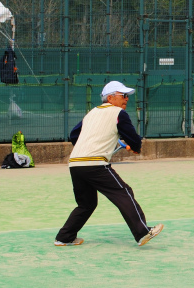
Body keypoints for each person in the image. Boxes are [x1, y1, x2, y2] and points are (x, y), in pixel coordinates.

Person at [54, 80, 163, 247]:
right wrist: (136, 147)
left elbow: (74, 135)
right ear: (110, 98)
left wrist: (88, 147)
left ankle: (64, 237)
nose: (127, 98)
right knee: (124, 192)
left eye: (127, 96)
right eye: (123, 95)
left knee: (86, 204)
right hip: (95, 165)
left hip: (75, 164)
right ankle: (142, 232)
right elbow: (132, 137)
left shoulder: (91, 113)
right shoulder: (119, 113)